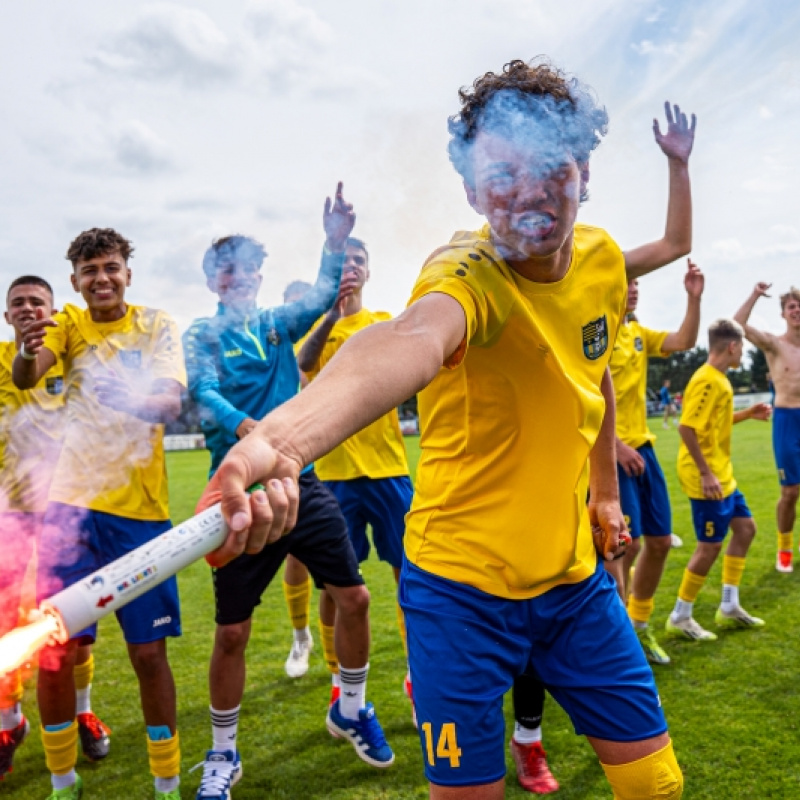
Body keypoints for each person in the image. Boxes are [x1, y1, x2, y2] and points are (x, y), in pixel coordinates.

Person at [198, 59, 684, 800]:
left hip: (576, 585)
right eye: (501, 170)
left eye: (549, 163)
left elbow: (595, 370)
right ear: (468, 187)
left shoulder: (603, 263)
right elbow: (406, 340)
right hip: (459, 592)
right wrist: (286, 442)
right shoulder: (465, 274)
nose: (525, 189)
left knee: (657, 785)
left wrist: (606, 488)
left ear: (584, 169)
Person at [509, 97, 697, 794]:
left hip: (587, 482)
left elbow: (673, 246)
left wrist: (678, 166)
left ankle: (546, 728)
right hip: (512, 496)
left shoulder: (599, 268)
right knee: (527, 611)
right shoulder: (486, 269)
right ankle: (489, 700)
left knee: (590, 592)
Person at [183, 185, 394, 800]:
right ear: (213, 281)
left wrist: (333, 243)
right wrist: (245, 426)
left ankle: (349, 709)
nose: (240, 275)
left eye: (249, 266)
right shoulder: (203, 331)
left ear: (257, 275)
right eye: (227, 268)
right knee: (232, 633)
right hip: (242, 494)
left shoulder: (276, 324)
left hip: (300, 482)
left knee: (354, 599)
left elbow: (326, 298)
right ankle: (222, 753)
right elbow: (203, 390)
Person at [13, 229, 186, 800]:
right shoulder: (68, 324)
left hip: (140, 515)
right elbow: (28, 374)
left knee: (148, 653)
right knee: (56, 652)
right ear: (76, 282)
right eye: (90, 272)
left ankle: (166, 783)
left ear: (127, 274)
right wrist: (22, 350)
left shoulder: (157, 324)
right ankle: (63, 782)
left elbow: (171, 402)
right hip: (71, 511)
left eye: (111, 268)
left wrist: (130, 398)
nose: (102, 280)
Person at [295, 235, 415, 723]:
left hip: (389, 471)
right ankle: (335, 680)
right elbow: (303, 365)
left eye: (358, 260)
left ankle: (417, 679)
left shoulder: (384, 324)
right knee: (334, 586)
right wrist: (330, 312)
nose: (351, 267)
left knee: (410, 577)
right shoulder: (316, 331)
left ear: (369, 270)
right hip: (337, 474)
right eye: (342, 262)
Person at [0, 277, 111, 780]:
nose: (27, 309)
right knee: (4, 622)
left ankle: (83, 710)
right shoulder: (5, 360)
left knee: (74, 629)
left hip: (68, 505)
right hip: (9, 511)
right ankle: (8, 723)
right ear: (7, 316)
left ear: (53, 311)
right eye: (18, 303)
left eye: (36, 302)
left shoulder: (72, 355)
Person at [610, 260, 703, 664]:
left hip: (642, 451)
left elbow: (683, 339)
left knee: (661, 542)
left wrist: (693, 298)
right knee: (621, 551)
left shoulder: (636, 333)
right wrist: (613, 446)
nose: (634, 289)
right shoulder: (596, 335)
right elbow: (579, 399)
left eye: (636, 283)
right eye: (626, 283)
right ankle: (619, 642)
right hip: (610, 454)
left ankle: (640, 626)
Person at [665, 319, 771, 641]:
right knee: (709, 546)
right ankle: (680, 616)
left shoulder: (720, 379)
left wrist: (747, 414)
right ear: (733, 346)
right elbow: (686, 427)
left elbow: (714, 423)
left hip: (723, 475)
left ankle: (729, 606)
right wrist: (706, 473)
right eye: (743, 348)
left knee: (746, 528)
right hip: (707, 478)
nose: (743, 353)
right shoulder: (708, 381)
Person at [734, 284, 800, 572]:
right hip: (787, 420)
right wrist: (754, 295)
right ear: (784, 314)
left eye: (799, 306)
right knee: (791, 491)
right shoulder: (775, 344)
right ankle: (784, 547)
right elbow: (737, 325)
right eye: (791, 307)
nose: (796, 310)